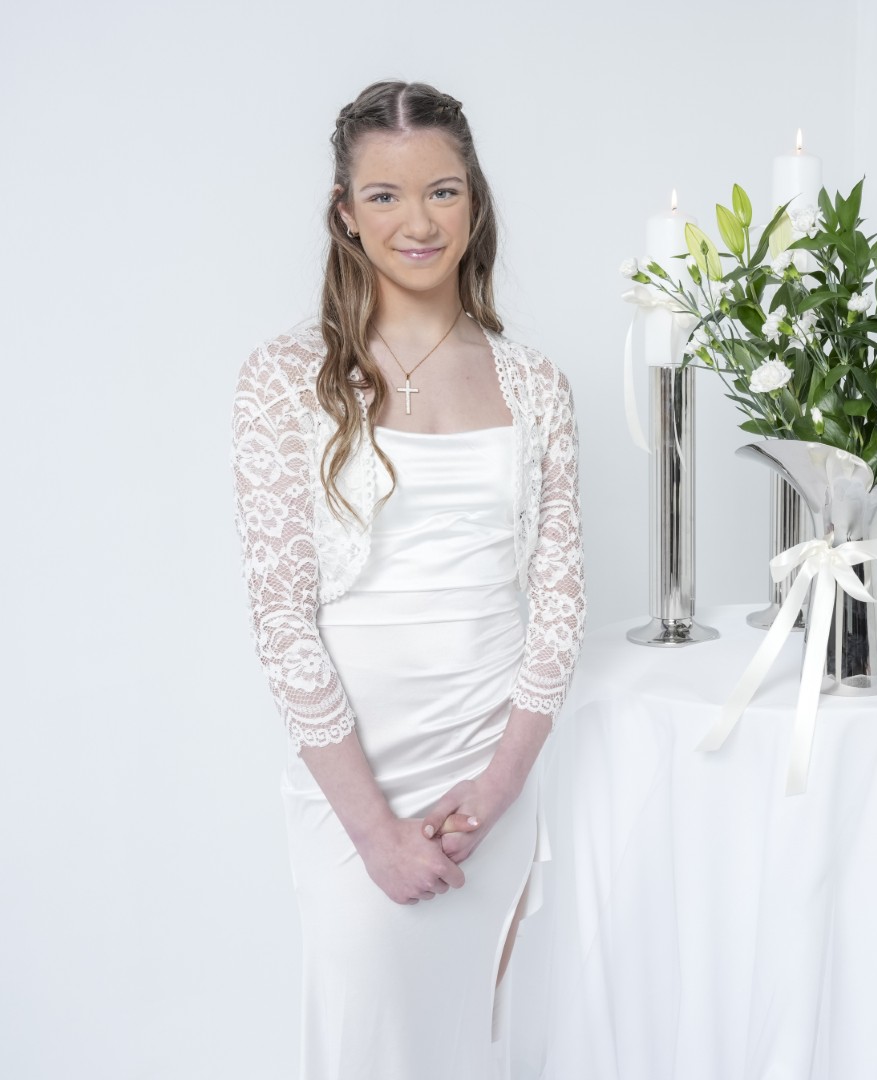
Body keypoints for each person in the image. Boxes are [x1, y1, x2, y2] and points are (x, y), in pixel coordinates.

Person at [229, 79, 585, 1078]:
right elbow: (280, 617)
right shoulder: (282, 378)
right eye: (384, 196)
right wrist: (374, 831)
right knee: (369, 1037)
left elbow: (560, 603)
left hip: (491, 765)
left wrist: (499, 786)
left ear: (474, 200)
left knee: (477, 1039)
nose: (418, 223)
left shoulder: (533, 382)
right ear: (345, 212)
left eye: (442, 191)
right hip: (358, 778)